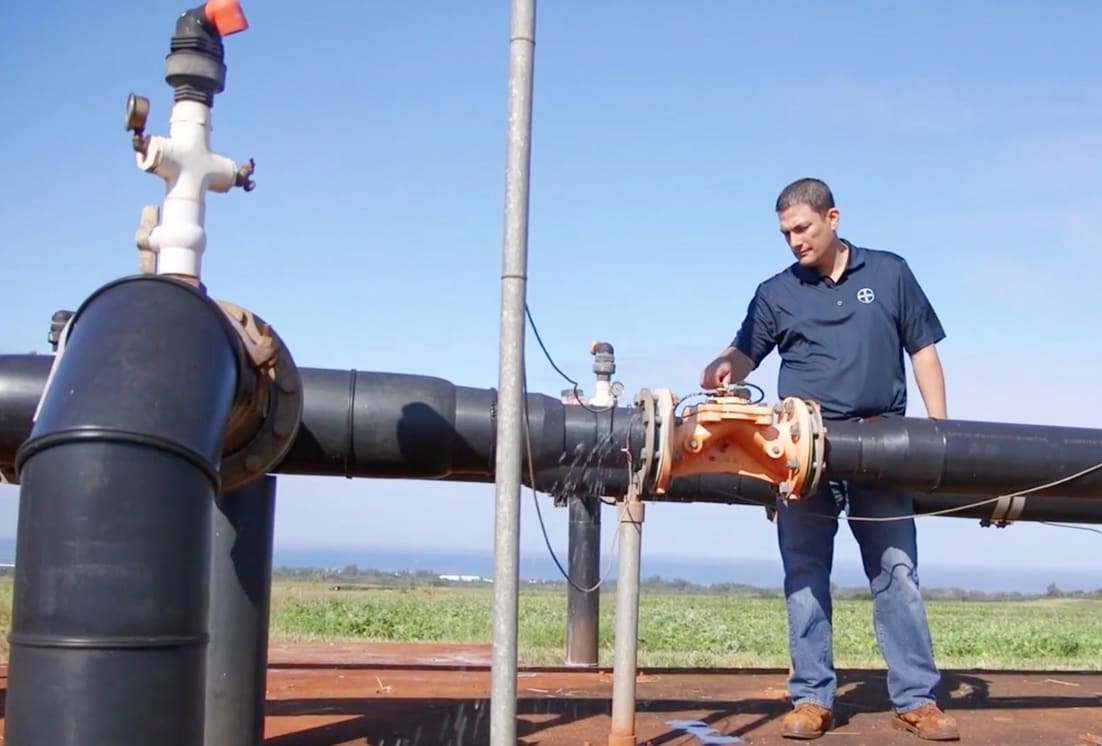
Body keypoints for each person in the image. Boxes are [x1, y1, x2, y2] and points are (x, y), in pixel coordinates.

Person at [700, 177, 960, 741]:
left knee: (897, 573)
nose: (794, 241)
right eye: (785, 233)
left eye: (802, 228)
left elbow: (924, 349)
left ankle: (918, 699)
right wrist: (723, 367)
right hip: (803, 453)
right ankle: (813, 699)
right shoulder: (775, 292)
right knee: (804, 572)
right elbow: (745, 350)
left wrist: (940, 434)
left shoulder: (890, 272)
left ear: (833, 217)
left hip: (883, 450)